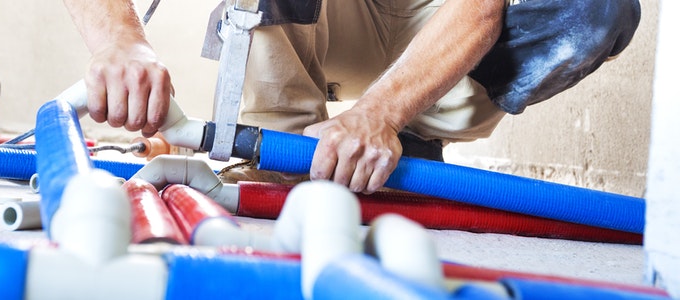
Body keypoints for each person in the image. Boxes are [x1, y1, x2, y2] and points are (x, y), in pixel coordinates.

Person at [61, 0, 641, 194]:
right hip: (332, 19)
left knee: (598, 10)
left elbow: (479, 8)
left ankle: (409, 137)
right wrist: (119, 43)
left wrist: (379, 115)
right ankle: (280, 153)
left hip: (435, 24)